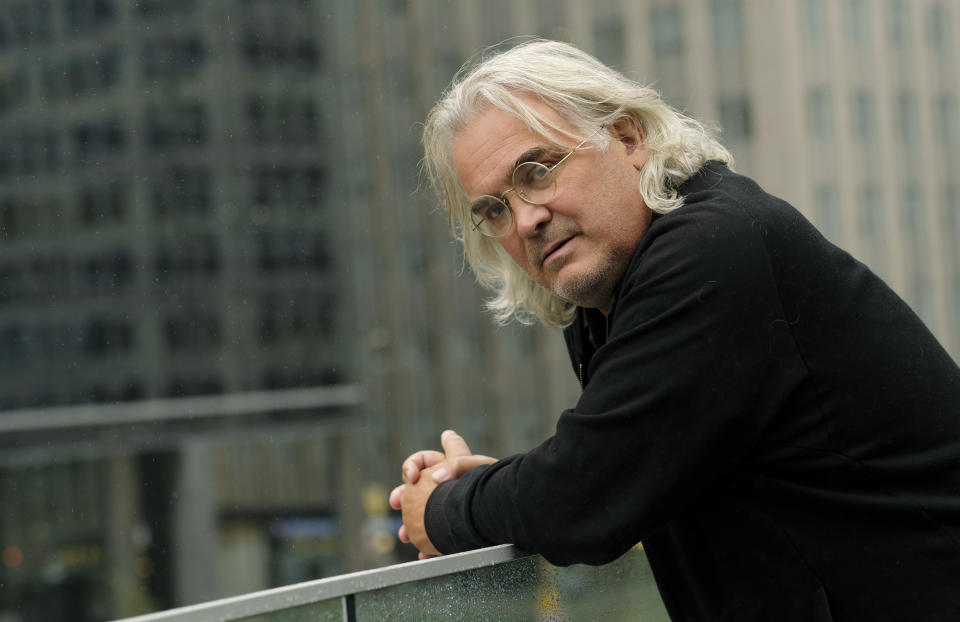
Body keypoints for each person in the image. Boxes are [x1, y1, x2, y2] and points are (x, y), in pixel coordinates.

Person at [388, 39, 960, 621]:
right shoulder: (609, 294)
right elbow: (629, 466)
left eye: (537, 171)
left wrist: (439, 509)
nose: (527, 219)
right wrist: (505, 486)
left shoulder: (711, 252)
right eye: (495, 210)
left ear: (629, 138)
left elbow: (582, 501)